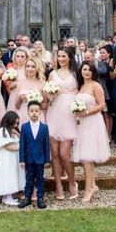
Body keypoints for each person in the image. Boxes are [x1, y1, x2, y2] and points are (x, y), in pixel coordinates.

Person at [71, 62, 110, 202]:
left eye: (89, 70)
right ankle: (93, 185)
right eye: (84, 69)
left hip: (92, 122)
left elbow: (101, 104)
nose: (86, 72)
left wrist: (86, 112)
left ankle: (88, 189)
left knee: (87, 157)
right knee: (85, 156)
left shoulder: (95, 85)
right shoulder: (81, 87)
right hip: (81, 124)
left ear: (93, 72)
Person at [46, 47, 80, 200]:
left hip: (69, 113)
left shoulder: (75, 74)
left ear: (70, 58)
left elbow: (81, 91)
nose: (61, 58)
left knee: (64, 154)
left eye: (64, 56)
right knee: (54, 153)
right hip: (54, 113)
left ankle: (72, 183)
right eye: (59, 56)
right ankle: (59, 185)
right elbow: (47, 93)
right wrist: (50, 94)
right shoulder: (52, 74)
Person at [17, 100, 50, 209]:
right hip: (29, 159)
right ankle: (27, 198)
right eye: (32, 111)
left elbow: (46, 144)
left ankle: (40, 198)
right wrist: (21, 159)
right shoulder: (25, 127)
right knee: (29, 178)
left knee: (40, 178)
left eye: (36, 111)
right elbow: (22, 144)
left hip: (40, 159)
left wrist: (47, 160)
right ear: (28, 112)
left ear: (40, 112)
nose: (34, 113)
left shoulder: (44, 127)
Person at [0, 111, 24, 206]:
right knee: (7, 175)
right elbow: (8, 146)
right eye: (14, 123)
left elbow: (22, 139)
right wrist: (22, 148)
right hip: (6, 158)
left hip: (13, 158)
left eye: (17, 123)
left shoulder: (13, 131)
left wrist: (16, 133)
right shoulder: (3, 130)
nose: (15, 125)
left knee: (12, 175)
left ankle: (8, 197)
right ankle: (7, 197)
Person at [12, 57, 47, 125]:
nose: (30, 69)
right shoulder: (20, 83)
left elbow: (45, 105)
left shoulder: (42, 84)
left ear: (37, 69)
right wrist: (20, 99)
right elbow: (17, 106)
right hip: (23, 114)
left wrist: (36, 102)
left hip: (37, 116)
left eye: (33, 67)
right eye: (27, 66)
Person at [94, 45, 113, 135]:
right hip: (102, 90)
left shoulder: (106, 64)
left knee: (107, 114)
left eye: (103, 53)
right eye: (100, 53)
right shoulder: (99, 63)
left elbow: (103, 71)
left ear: (109, 54)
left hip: (109, 90)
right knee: (102, 114)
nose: (101, 54)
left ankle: (108, 135)